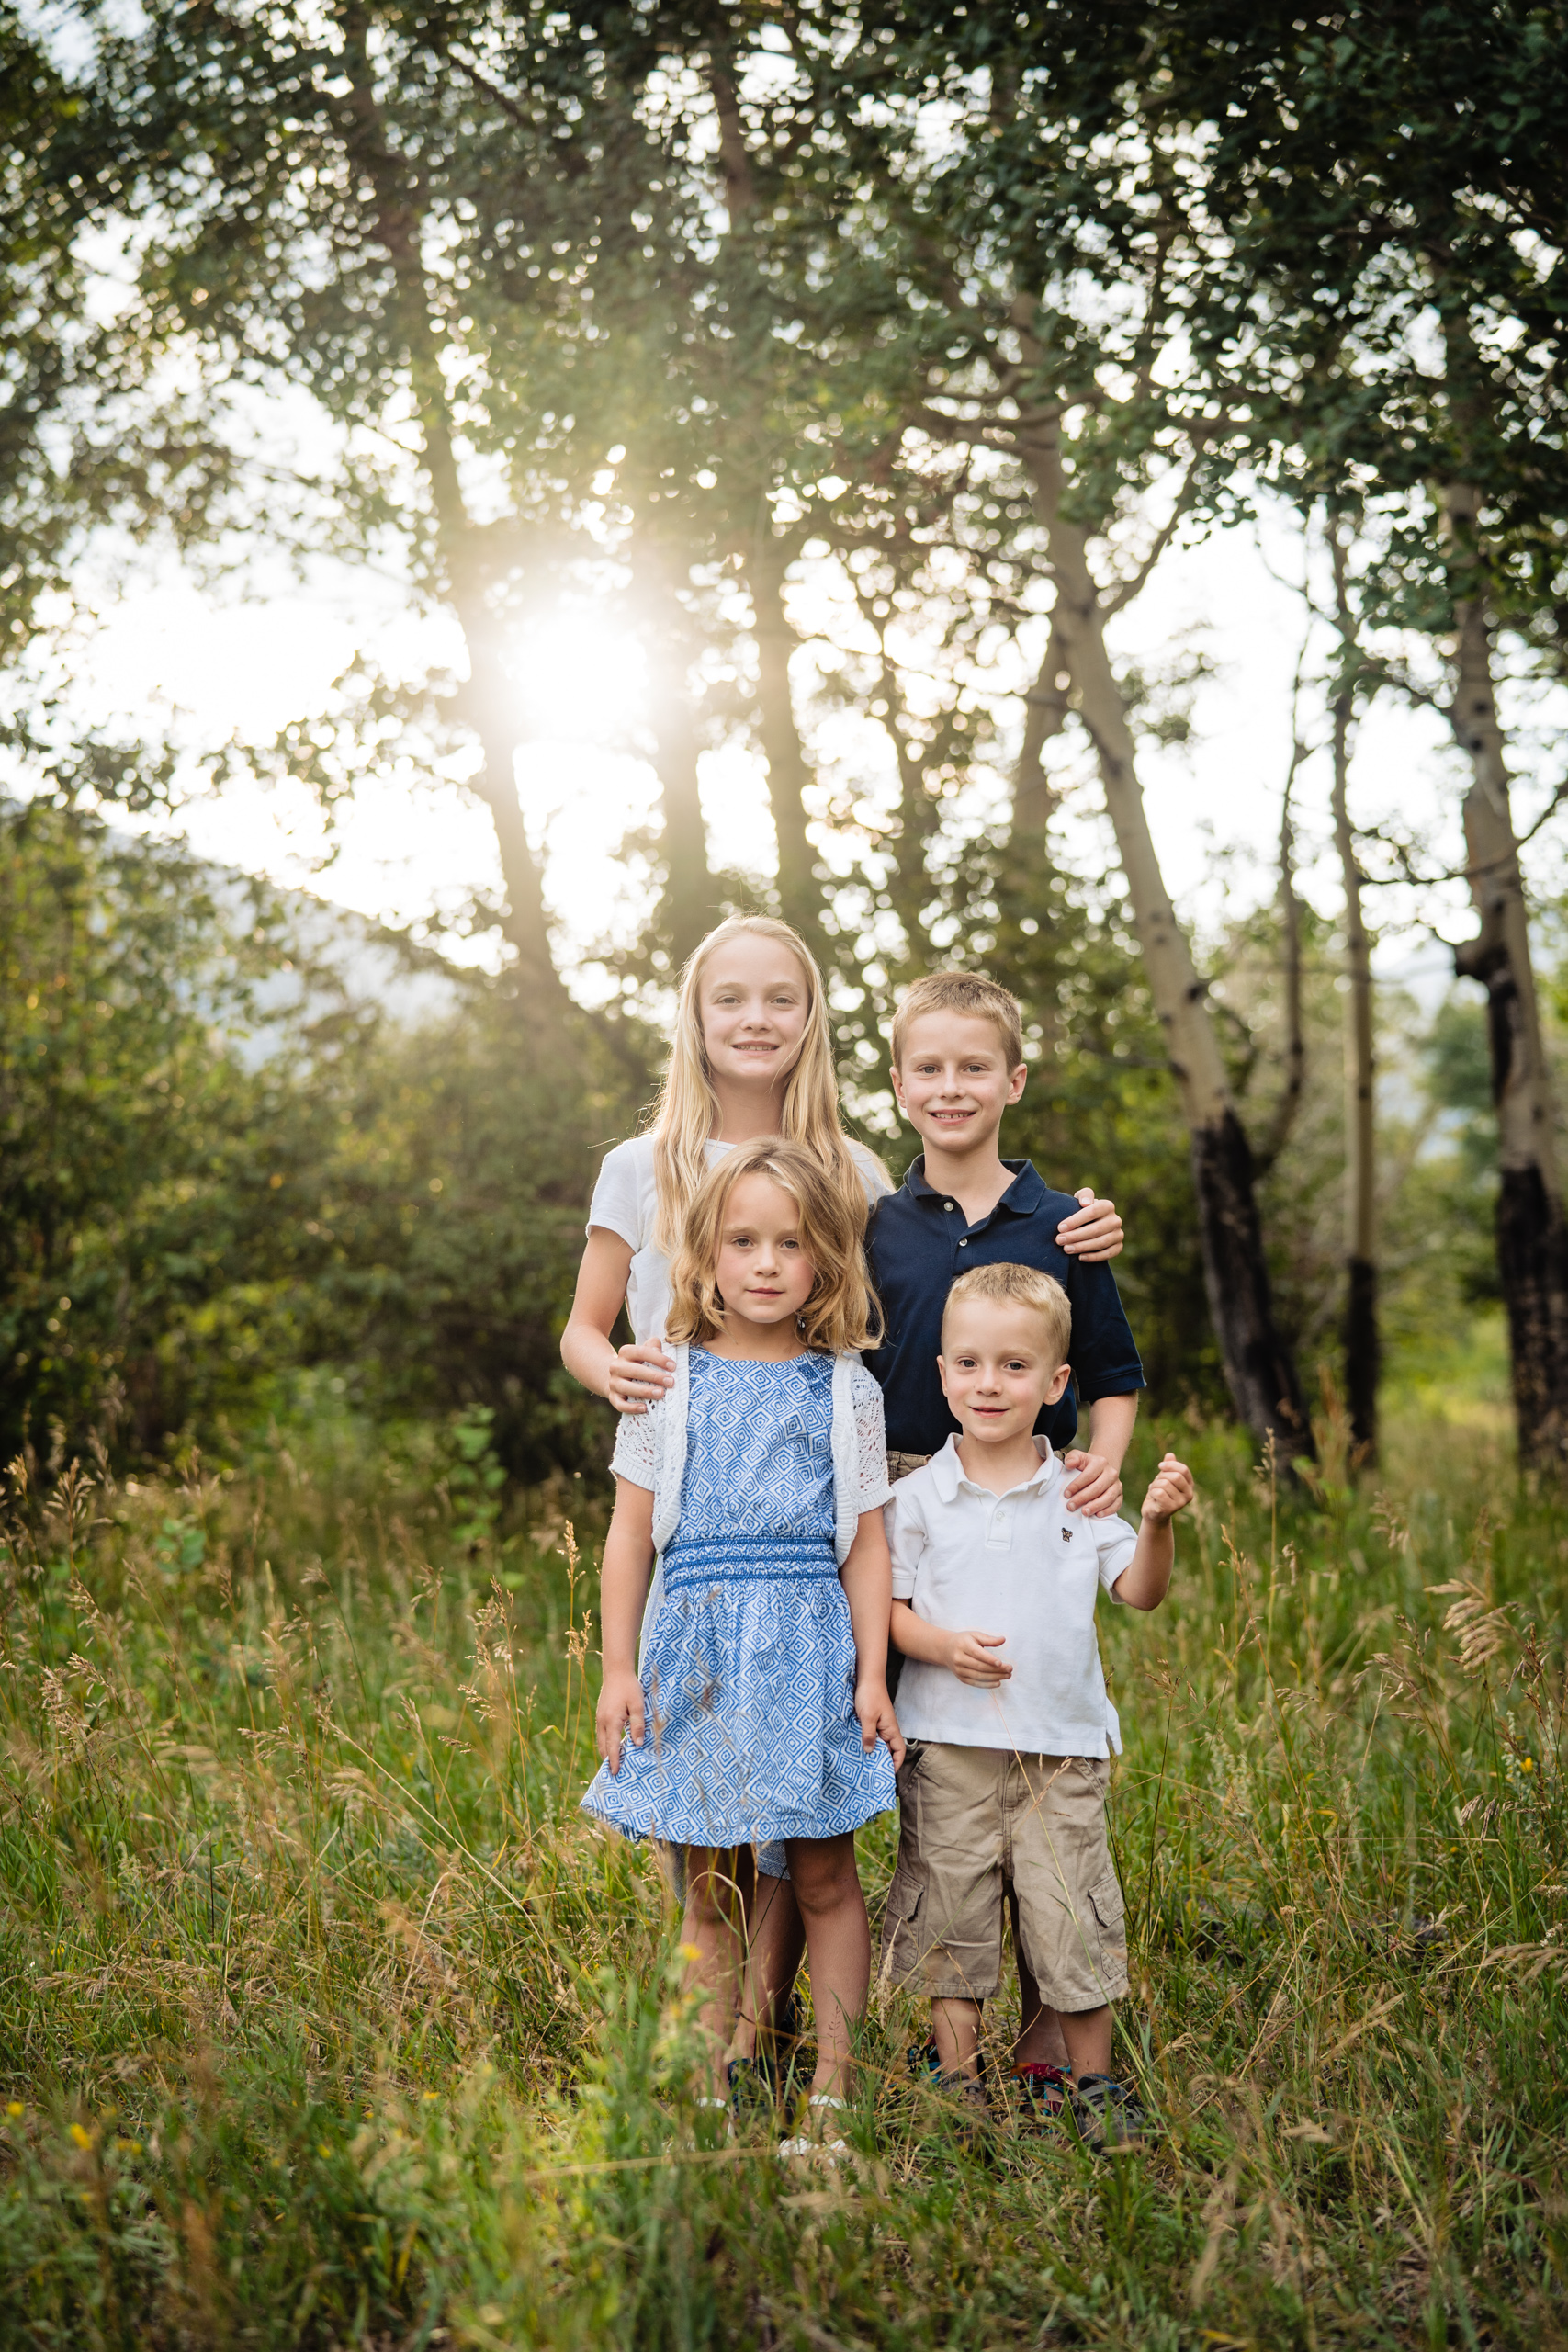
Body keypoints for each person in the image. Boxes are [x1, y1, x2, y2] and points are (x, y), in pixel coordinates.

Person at [560, 918, 1123, 2058]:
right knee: (717, 1811)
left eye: (782, 997)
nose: (756, 1019)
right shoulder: (644, 1159)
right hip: (699, 1499)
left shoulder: (857, 1167)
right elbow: (583, 1325)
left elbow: (941, 1284)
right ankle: (738, 2039)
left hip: (830, 1502)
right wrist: (610, 1368)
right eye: (731, 998)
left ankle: (811, 2035)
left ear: (812, 1017)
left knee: (816, 1812)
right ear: (695, 1014)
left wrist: (1077, 1233)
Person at [581, 1141, 903, 2160]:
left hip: (808, 1651)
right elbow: (629, 1535)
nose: (766, 1263)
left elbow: (867, 1543)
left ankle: (833, 2096)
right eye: (743, 1240)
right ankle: (711, 2083)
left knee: (821, 1878)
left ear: (826, 1262)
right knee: (708, 1890)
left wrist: (873, 1672)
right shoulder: (663, 1379)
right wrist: (618, 1667)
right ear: (706, 1251)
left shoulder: (844, 1389)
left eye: (792, 1244)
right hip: (698, 1656)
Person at [879, 1261, 1193, 2152]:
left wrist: (1160, 1521)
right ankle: (957, 2081)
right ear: (940, 1373)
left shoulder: (1080, 1491)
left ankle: (1094, 2087)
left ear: (1058, 1384)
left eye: (1015, 1366)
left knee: (1071, 1917)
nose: (989, 1383)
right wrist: (939, 1645)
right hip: (949, 1748)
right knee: (952, 1915)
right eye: (970, 1363)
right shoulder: (913, 1501)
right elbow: (886, 1612)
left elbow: (1138, 1590)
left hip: (1061, 1751)